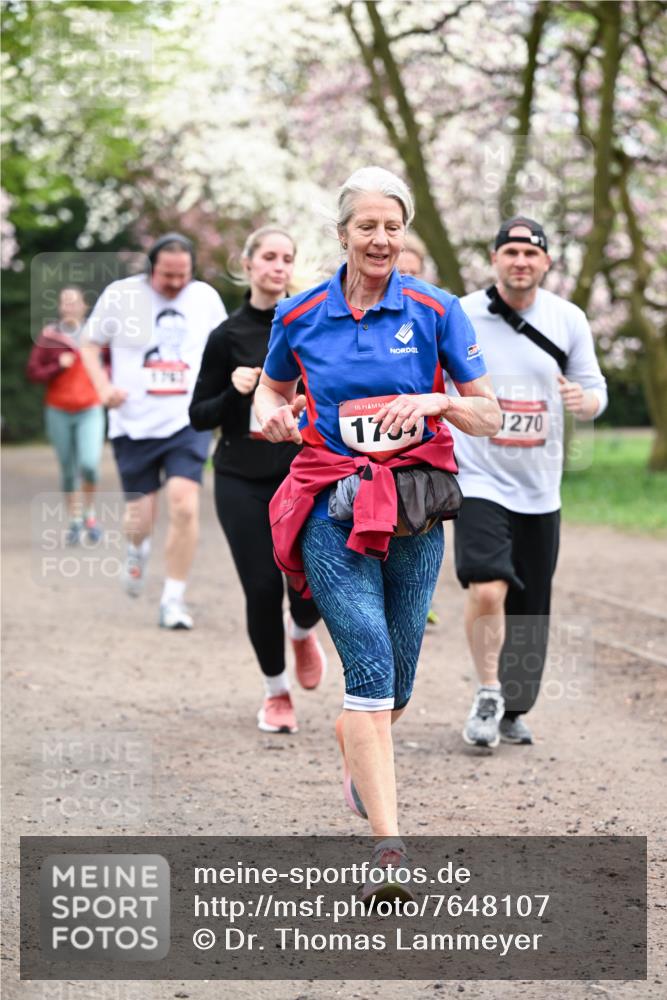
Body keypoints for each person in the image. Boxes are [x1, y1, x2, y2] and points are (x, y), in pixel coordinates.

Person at [254, 166, 500, 898]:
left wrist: (434, 400)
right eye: (367, 226)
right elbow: (273, 388)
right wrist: (270, 414)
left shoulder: (435, 308)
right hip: (329, 501)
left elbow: (486, 411)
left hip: (414, 508)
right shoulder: (298, 314)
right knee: (367, 667)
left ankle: (356, 741)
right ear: (342, 235)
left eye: (392, 226)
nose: (380, 239)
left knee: (395, 682)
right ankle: (390, 851)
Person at [452, 216, 608, 749]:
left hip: (540, 487)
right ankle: (489, 692)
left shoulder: (567, 319)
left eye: (531, 253)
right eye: (511, 251)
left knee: (531, 606)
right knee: (487, 583)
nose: (521, 261)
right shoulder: (463, 314)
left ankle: (515, 707)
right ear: (495, 259)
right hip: (479, 478)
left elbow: (595, 389)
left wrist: (582, 402)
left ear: (545, 263)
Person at [189, 225, 326, 734]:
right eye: (268, 256)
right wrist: (234, 392)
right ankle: (276, 693)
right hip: (240, 478)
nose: (278, 266)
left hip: (304, 474)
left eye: (287, 257)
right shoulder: (225, 337)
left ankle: (302, 630)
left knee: (310, 581)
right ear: (247, 265)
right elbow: (198, 416)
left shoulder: (310, 324)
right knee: (263, 587)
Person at [81, 233, 227, 629]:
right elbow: (89, 345)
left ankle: (173, 599)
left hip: (187, 420)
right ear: (151, 268)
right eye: (168, 275)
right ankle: (137, 549)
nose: (177, 283)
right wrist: (103, 388)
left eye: (184, 275)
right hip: (133, 421)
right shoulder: (121, 295)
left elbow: (224, 349)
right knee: (139, 515)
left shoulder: (205, 299)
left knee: (184, 503)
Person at [27, 286, 105, 545]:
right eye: (65, 303)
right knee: (68, 469)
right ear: (61, 307)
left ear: (84, 305)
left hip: (90, 408)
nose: (70, 307)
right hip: (58, 410)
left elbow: (112, 366)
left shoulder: (95, 337)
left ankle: (90, 514)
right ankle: (74, 520)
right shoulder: (49, 336)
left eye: (75, 302)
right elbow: (33, 372)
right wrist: (55, 367)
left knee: (90, 465)